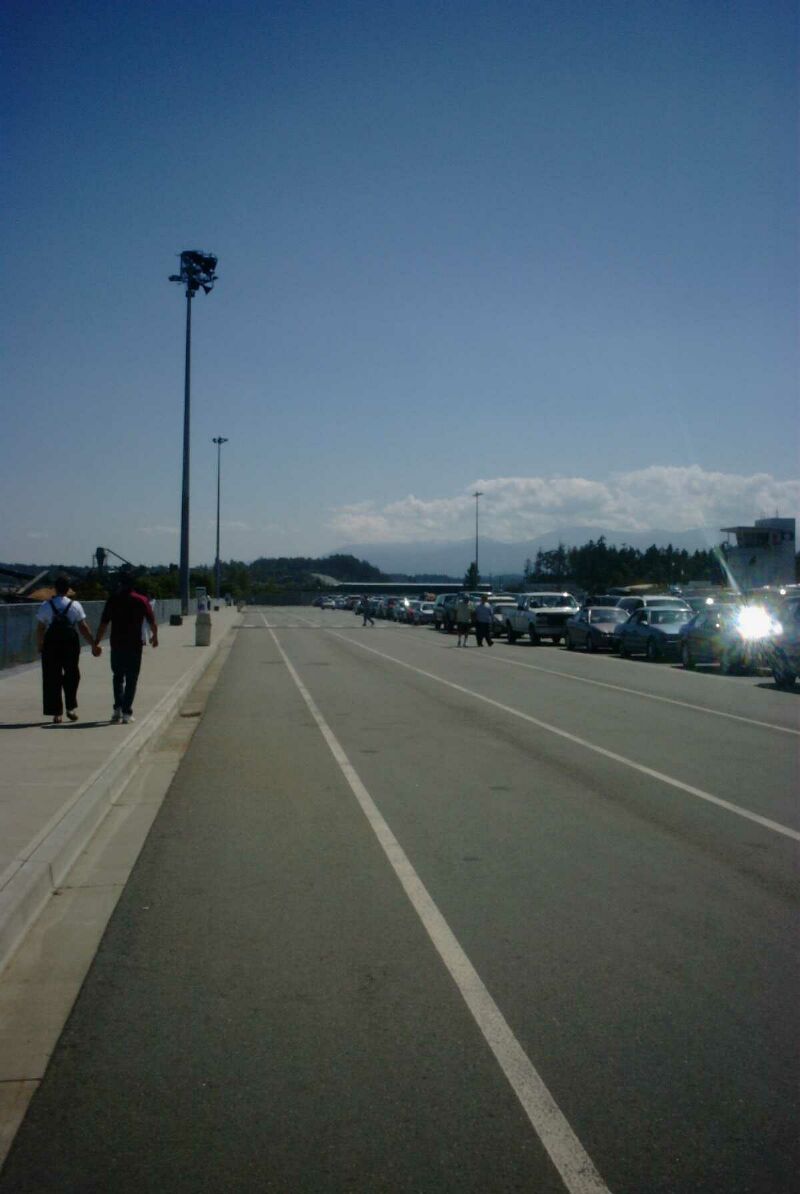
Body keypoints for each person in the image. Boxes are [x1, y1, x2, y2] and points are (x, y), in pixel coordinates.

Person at [94, 572, 158, 724]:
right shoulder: (142, 600)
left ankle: (117, 709)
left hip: (116, 643)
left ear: (120, 584)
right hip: (134, 644)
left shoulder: (113, 600)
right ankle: (127, 712)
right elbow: (152, 621)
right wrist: (155, 637)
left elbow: (103, 624)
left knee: (117, 676)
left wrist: (96, 642)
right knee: (131, 678)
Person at [36, 575, 101, 724]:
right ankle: (70, 708)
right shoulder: (75, 605)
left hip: (51, 644)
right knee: (72, 674)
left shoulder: (46, 605)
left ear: (55, 588)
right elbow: (83, 627)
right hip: (70, 643)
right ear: (68, 589)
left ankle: (56, 713)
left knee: (52, 677)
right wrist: (93, 644)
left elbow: (40, 628)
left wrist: (40, 644)